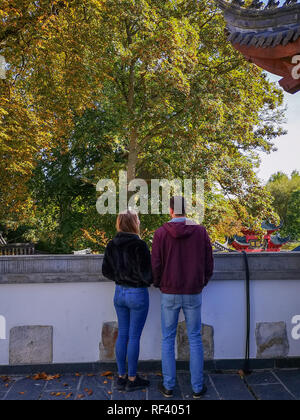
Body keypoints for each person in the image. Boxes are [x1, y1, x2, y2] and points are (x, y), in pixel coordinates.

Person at [151, 196, 214, 399]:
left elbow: (156, 264)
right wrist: (202, 281)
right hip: (193, 291)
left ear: (171, 210)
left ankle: (168, 386)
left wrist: (159, 282)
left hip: (169, 291)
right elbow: (208, 261)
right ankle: (197, 388)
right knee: (195, 338)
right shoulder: (200, 231)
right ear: (186, 211)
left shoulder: (160, 233)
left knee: (167, 338)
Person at [102, 210, 153, 392]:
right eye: (138, 219)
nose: (139, 221)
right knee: (134, 337)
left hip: (119, 293)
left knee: (122, 334)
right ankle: (132, 378)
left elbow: (106, 271)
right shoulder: (139, 245)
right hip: (137, 294)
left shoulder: (111, 244)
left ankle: (121, 377)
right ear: (133, 223)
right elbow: (148, 275)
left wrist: (121, 276)